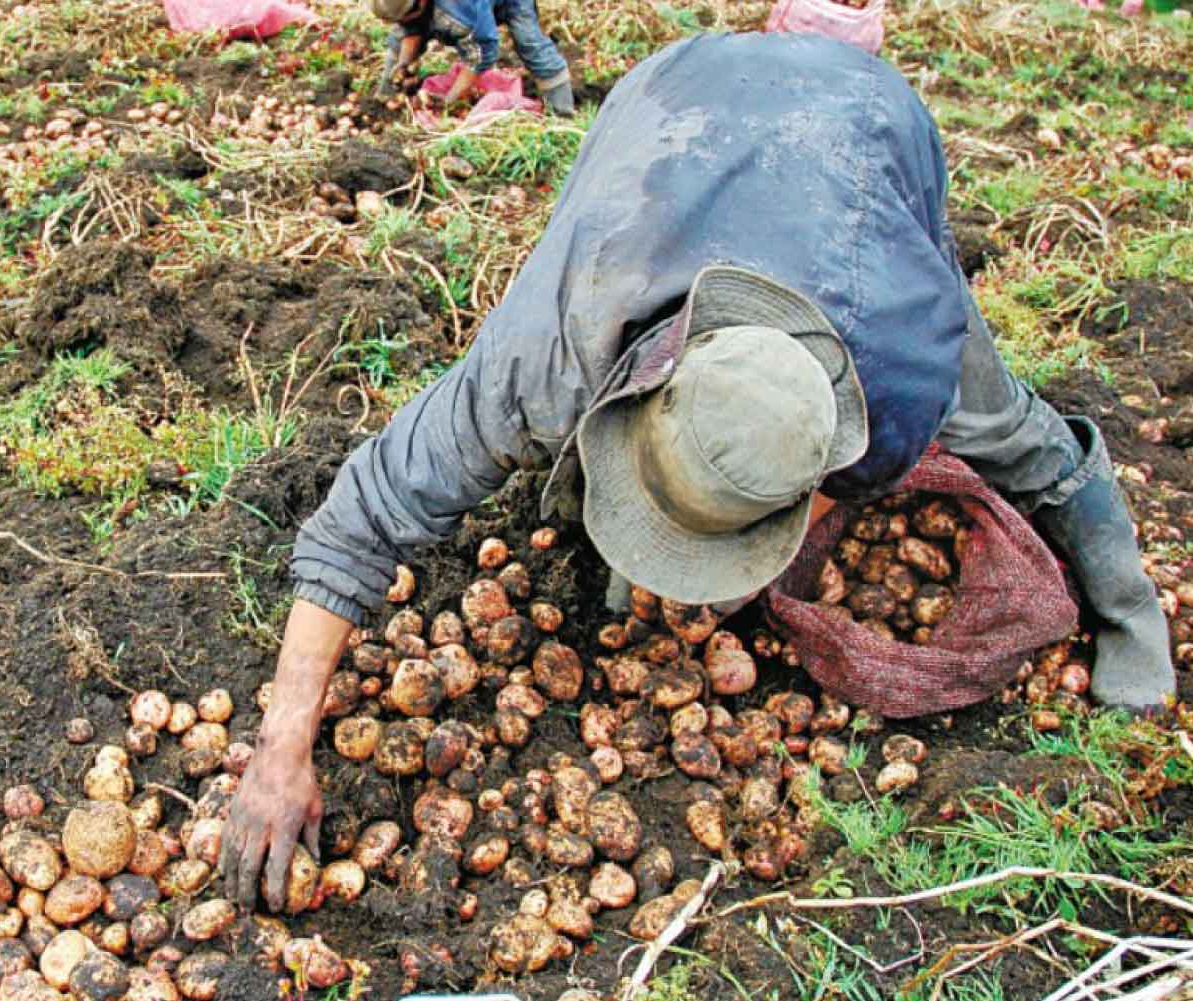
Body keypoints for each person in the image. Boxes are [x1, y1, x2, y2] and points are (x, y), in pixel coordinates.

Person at [219, 31, 1175, 911]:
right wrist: (280, 744)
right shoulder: (548, 347)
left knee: (1017, 434)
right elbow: (363, 513)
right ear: (636, 390)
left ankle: (1134, 606)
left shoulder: (908, 377)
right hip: (676, 103)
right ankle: (648, 529)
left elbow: (1011, 444)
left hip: (867, 128)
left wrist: (1116, 609)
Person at [370, 0, 574, 116]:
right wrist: (404, 62)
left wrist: (449, 101)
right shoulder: (411, 9)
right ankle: (386, 99)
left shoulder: (461, 11)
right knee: (399, 41)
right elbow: (409, 27)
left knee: (531, 45)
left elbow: (480, 55)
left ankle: (562, 113)